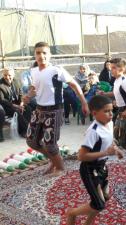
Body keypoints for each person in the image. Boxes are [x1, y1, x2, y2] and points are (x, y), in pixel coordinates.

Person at [26, 42, 89, 176]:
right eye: (38, 53)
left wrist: (84, 103)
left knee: (50, 143)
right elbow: (35, 88)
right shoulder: (34, 71)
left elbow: (74, 85)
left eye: (44, 53)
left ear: (50, 55)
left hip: (54, 110)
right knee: (32, 141)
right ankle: (54, 160)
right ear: (34, 55)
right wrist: (28, 96)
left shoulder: (56, 70)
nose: (41, 56)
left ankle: (59, 167)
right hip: (39, 109)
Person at [65, 95, 124, 225]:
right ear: (95, 113)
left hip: (102, 167)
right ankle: (72, 213)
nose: (111, 114)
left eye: (111, 110)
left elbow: (109, 140)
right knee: (99, 204)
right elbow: (81, 156)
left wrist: (116, 149)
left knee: (104, 198)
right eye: (106, 111)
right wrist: (105, 152)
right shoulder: (93, 131)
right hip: (89, 169)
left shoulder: (109, 124)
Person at [0, 68, 32, 137]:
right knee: (16, 112)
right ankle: (27, 130)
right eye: (5, 75)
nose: (7, 77)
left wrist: (21, 103)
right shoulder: (0, 84)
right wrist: (16, 106)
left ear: (13, 75)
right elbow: (2, 100)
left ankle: (22, 131)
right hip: (6, 106)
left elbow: (20, 94)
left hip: (17, 103)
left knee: (27, 109)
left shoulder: (15, 81)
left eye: (9, 75)